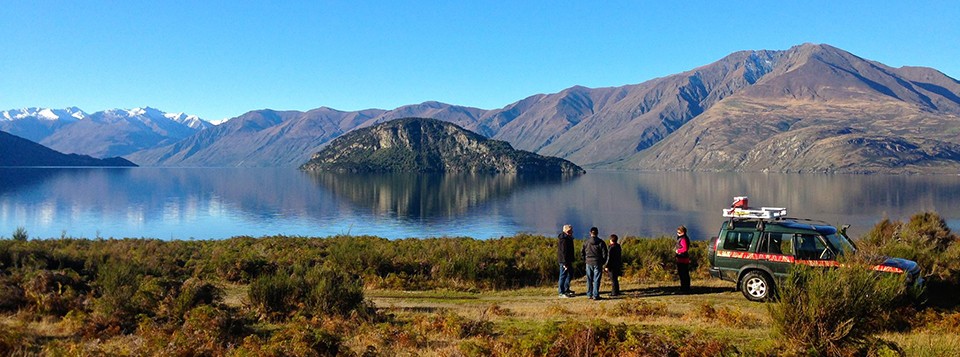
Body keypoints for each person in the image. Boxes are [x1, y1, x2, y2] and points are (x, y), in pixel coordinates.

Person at [581, 227, 608, 300]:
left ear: (590, 233)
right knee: (597, 279)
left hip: (588, 262)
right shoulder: (601, 242)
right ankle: (595, 295)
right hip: (597, 262)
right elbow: (605, 254)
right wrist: (603, 262)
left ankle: (589, 294)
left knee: (589, 279)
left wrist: (585, 260)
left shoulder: (586, 242)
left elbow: (582, 252)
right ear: (597, 233)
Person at [557, 224, 575, 298]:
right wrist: (565, 263)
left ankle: (566, 289)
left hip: (568, 260)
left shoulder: (568, 238)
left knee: (570, 274)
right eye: (570, 230)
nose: (572, 232)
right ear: (567, 231)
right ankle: (561, 292)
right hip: (564, 261)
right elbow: (563, 252)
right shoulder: (563, 240)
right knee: (563, 276)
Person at [675, 225, 692, 293]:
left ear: (683, 232)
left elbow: (685, 248)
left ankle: (685, 288)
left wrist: (678, 251)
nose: (677, 234)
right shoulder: (683, 238)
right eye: (677, 232)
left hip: (683, 259)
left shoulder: (683, 239)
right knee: (683, 274)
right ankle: (684, 288)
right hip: (681, 258)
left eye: (679, 233)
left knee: (683, 274)